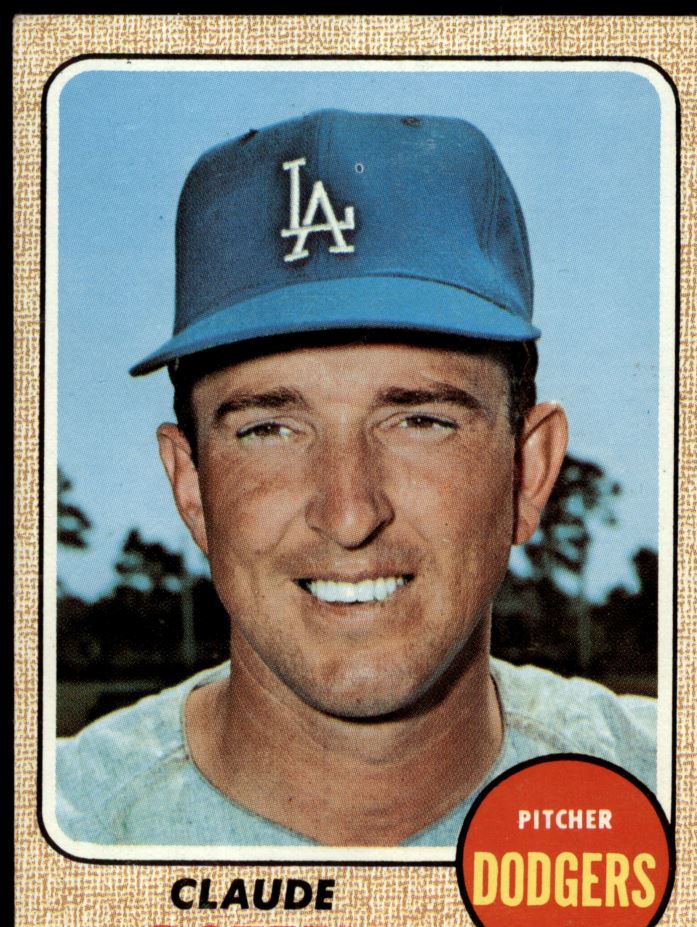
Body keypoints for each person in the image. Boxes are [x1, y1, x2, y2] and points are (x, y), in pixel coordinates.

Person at [55, 109, 656, 848]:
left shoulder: (668, 797)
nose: (348, 514)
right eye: (269, 429)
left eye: (419, 420)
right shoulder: (60, 834)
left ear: (528, 472)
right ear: (191, 486)